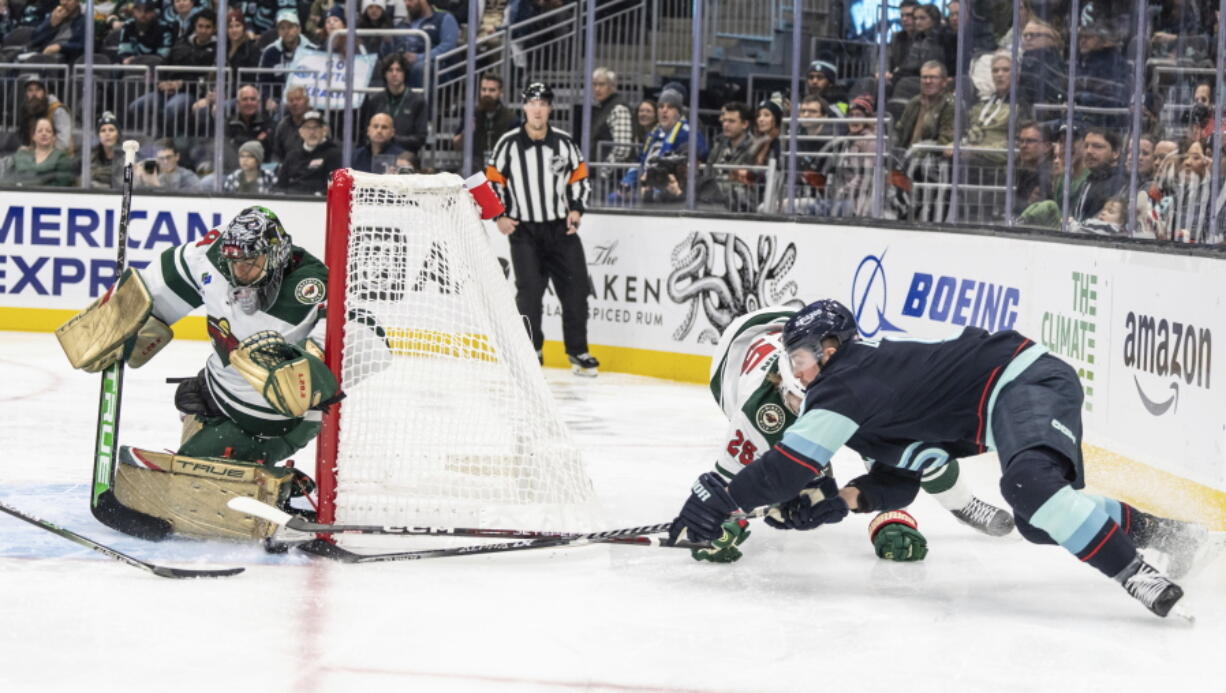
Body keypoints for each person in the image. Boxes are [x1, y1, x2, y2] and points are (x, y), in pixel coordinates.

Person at [667, 299, 1208, 619]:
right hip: (1015, 395)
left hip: (1023, 379)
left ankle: (1137, 576)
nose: (799, 370)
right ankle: (1170, 535)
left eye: (802, 357)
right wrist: (834, 501)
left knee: (1028, 488)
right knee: (1041, 522)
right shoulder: (862, 399)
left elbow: (789, 468)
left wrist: (727, 498)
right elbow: (897, 484)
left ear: (830, 348)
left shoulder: (846, 384)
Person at [57, 206, 337, 540]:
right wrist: (120, 319)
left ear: (276, 255)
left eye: (251, 263)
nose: (240, 272)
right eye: (234, 262)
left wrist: (309, 368)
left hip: (274, 418)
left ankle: (285, 484)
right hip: (217, 389)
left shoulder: (314, 286)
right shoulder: (213, 255)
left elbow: (361, 343)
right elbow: (155, 289)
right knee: (194, 454)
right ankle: (237, 461)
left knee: (189, 489)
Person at [690, 306, 1014, 564]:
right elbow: (728, 482)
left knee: (911, 444)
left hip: (791, 331)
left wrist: (892, 518)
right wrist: (723, 518)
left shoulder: (853, 384)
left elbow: (896, 464)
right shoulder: (761, 411)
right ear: (788, 386)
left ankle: (964, 503)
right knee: (796, 467)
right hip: (735, 352)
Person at [485, 82, 598, 376]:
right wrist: (499, 216)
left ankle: (577, 351)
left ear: (549, 109)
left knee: (575, 290)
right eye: (532, 103)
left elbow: (580, 177)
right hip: (525, 232)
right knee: (530, 293)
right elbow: (493, 180)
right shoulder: (508, 143)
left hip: (562, 230)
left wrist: (576, 209)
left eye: (543, 103)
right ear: (524, 107)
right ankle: (531, 349)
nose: (537, 109)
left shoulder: (564, 143)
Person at [621, 84, 708, 204]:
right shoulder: (654, 134)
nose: (664, 111)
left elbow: (700, 151)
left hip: (669, 192)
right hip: (646, 187)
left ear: (679, 112)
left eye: (670, 107)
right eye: (661, 107)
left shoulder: (687, 132)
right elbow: (641, 161)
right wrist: (627, 183)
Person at [360, 53, 429, 155]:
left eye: (399, 70)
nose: (394, 74)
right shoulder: (374, 100)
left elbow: (420, 138)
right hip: (377, 153)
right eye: (390, 70)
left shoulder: (417, 101)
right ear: (384, 74)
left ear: (405, 73)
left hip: (405, 154)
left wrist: (391, 139)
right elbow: (365, 131)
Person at [453, 72, 518, 174]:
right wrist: (466, 133)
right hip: (474, 170)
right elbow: (456, 146)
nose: (487, 93)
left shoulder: (511, 118)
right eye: (484, 89)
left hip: (502, 169)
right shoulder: (471, 115)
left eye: (492, 90)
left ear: (500, 92)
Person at [700, 101, 755, 211]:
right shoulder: (719, 145)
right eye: (724, 120)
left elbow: (746, 186)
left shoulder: (755, 148)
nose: (725, 124)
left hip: (743, 205)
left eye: (731, 121)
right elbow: (708, 173)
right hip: (715, 201)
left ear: (745, 124)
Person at [275, 109, 342, 195]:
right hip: (292, 200)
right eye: (307, 127)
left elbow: (335, 185)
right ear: (301, 132)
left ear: (324, 131)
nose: (312, 132)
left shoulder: (334, 154)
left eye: (316, 127)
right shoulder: (292, 155)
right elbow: (280, 185)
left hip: (318, 203)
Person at [394, 0, 460, 87]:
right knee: (383, 67)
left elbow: (448, 47)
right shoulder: (402, 25)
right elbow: (393, 48)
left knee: (419, 68)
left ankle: (417, 100)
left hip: (437, 68)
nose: (407, 4)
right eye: (405, 1)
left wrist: (419, 57)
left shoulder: (444, 18)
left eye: (410, 0)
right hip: (405, 64)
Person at [7, 116, 76, 186]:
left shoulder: (61, 157)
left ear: (54, 137)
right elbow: (10, 178)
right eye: (40, 131)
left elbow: (62, 184)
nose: (44, 134)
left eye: (48, 131)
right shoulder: (22, 155)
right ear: (33, 136)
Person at [589, 67, 635, 165]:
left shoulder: (619, 109)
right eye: (594, 84)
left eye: (602, 84)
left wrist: (603, 171)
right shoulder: (603, 107)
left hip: (613, 176)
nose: (597, 89)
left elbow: (622, 148)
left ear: (612, 86)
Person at [16, 73, 72, 152]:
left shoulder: (57, 110)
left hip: (58, 155)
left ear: (45, 92)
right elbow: (26, 140)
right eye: (30, 90)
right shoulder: (26, 110)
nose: (34, 94)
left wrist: (41, 153)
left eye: (38, 89)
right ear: (26, 94)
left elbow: (63, 143)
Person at [116, 0, 174, 64]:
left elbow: (164, 55)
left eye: (147, 11)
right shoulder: (128, 25)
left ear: (153, 12)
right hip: (132, 66)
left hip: (156, 67)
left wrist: (142, 61)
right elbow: (124, 51)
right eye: (139, 11)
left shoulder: (164, 28)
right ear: (134, 11)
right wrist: (126, 59)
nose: (142, 14)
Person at [135, 138, 200, 191]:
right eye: (161, 158)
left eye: (169, 157)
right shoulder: (149, 172)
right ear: (156, 158)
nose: (165, 161)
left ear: (177, 157)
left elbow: (189, 198)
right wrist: (138, 178)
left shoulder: (188, 176)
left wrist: (155, 185)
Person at [227, 83, 274, 153]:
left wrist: (237, 140)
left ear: (258, 103)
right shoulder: (229, 123)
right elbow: (227, 147)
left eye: (253, 99)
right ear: (237, 103)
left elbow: (268, 148)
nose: (249, 103)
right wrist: (257, 140)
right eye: (245, 99)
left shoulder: (268, 122)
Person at [270, 85, 311, 162]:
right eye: (291, 100)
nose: (294, 103)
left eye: (298, 99)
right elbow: (276, 153)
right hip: (287, 169)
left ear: (307, 101)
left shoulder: (318, 124)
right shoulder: (283, 125)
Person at [89, 111, 123, 189]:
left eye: (111, 130)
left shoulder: (127, 156)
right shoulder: (90, 157)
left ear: (118, 134)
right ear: (98, 135)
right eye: (103, 130)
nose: (107, 134)